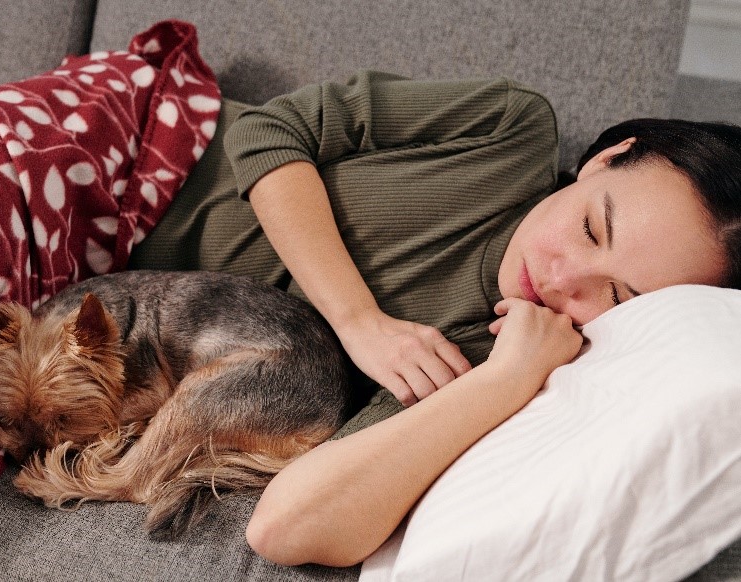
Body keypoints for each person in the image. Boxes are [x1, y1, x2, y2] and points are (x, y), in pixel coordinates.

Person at [129, 71, 741, 566]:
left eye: (615, 298)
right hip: (136, 144)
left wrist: (502, 382)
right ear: (608, 158)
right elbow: (269, 129)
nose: (561, 278)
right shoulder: (512, 129)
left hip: (103, 290)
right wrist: (358, 320)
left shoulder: (475, 360)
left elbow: (286, 526)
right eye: (589, 226)